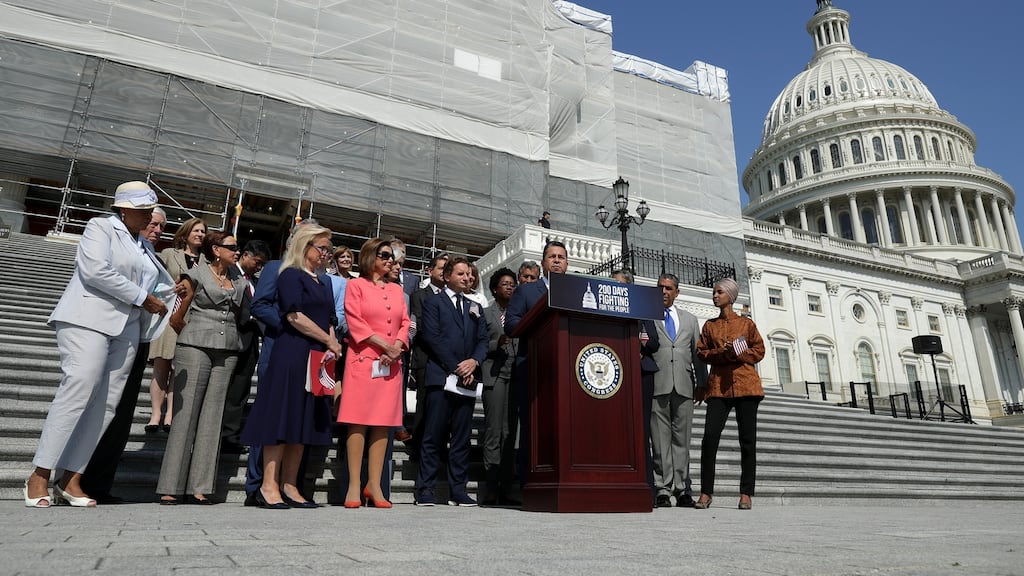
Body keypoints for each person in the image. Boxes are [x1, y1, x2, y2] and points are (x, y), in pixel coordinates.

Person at [24, 181, 171, 508]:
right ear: (124, 209)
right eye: (144, 210)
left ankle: (72, 478)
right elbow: (94, 271)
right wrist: (141, 297)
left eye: (150, 210)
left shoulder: (143, 245)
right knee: (78, 387)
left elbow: (156, 281)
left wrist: (171, 294)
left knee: (107, 403)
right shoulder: (100, 227)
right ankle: (40, 473)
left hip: (127, 327)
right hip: (86, 319)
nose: (149, 216)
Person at [241, 224, 341, 509]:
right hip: (292, 351)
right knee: (282, 417)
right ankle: (268, 484)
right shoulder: (289, 274)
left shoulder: (323, 281)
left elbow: (330, 318)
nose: (326, 254)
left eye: (328, 249)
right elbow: (294, 316)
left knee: (304, 418)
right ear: (305, 246)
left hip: (317, 356)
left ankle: (290, 484)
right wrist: (327, 340)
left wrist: (331, 343)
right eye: (322, 248)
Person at [80, 206, 168, 503]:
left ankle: (100, 482)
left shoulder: (149, 255)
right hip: (108, 328)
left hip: (138, 335)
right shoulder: (112, 239)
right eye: (153, 224)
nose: (156, 230)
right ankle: (79, 478)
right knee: (101, 404)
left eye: (160, 227)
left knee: (123, 409)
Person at [157, 230, 247, 505]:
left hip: (228, 349)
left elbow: (240, 315)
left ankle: (200, 485)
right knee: (186, 415)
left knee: (213, 416)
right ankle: (171, 485)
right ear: (216, 250)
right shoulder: (195, 275)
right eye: (232, 247)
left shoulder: (239, 281)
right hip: (195, 344)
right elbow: (177, 314)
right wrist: (190, 332)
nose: (237, 252)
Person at [337, 238, 410, 509]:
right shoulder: (355, 285)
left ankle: (375, 484)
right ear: (370, 257)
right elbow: (354, 320)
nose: (390, 260)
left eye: (391, 256)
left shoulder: (396, 289)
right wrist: (385, 345)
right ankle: (354, 484)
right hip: (363, 360)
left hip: (390, 365)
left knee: (383, 424)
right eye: (384, 255)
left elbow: (405, 321)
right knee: (357, 421)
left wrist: (399, 346)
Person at [414, 256, 488, 507]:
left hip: (466, 380)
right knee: (433, 436)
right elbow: (432, 337)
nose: (467, 278)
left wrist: (474, 362)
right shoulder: (434, 302)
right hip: (442, 377)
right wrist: (458, 366)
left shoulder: (474, 305)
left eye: (468, 274)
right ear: (447, 277)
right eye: (461, 274)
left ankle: (458, 489)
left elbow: (482, 340)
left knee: (461, 438)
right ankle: (425, 489)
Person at [694, 278, 765, 511]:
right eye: (714, 292)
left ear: (730, 297)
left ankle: (746, 493)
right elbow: (701, 352)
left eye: (720, 292)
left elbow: (759, 350)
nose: (715, 296)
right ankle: (706, 492)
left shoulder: (747, 324)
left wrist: (738, 352)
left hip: (746, 385)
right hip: (718, 387)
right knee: (709, 438)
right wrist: (720, 352)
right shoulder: (710, 326)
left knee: (747, 440)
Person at [504, 240, 568, 486]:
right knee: (532, 428)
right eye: (551, 256)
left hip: (565, 371)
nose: (556, 260)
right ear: (543, 263)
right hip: (534, 367)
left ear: (566, 263)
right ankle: (529, 484)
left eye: (561, 257)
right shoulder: (528, 291)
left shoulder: (575, 290)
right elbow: (511, 324)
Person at [650, 272, 707, 508]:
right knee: (660, 440)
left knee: (682, 439)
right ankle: (662, 488)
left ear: (677, 292)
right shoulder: (647, 316)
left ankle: (683, 488)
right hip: (658, 384)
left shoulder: (690, 320)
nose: (664, 292)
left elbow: (698, 355)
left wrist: (702, 383)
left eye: (669, 288)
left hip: (684, 386)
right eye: (660, 287)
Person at [147, 216, 207, 434]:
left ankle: (171, 415)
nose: (200, 234)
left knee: (179, 369)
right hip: (169, 316)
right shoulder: (168, 254)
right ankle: (155, 414)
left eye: (203, 232)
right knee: (161, 366)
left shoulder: (207, 262)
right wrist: (172, 286)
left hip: (192, 320)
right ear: (186, 233)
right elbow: (154, 281)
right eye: (196, 231)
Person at [611, 269, 662, 506]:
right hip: (615, 373)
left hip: (641, 373)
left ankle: (647, 488)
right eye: (614, 284)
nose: (617, 288)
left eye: (620, 285)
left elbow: (652, 341)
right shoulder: (608, 309)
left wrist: (637, 344)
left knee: (641, 431)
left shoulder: (642, 310)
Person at [221, 239, 271, 455]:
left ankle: (229, 435)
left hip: (250, 342)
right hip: (229, 339)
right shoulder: (228, 272)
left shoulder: (256, 282)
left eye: (262, 265)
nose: (259, 267)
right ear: (246, 255)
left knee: (239, 392)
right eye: (257, 262)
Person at [480, 267, 519, 506]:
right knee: (494, 431)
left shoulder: (519, 314)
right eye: (505, 284)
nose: (510, 287)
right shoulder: (485, 314)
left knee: (509, 433)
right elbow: (479, 344)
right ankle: (490, 486)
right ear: (495, 288)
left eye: (512, 284)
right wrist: (497, 342)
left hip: (514, 374)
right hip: (494, 375)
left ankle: (507, 485)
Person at [406, 253, 449, 461]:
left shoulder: (452, 297)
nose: (444, 272)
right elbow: (420, 326)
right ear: (429, 271)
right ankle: (418, 449)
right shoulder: (419, 296)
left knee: (444, 408)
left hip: (447, 363)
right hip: (426, 358)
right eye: (440, 268)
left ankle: (440, 449)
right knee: (424, 407)